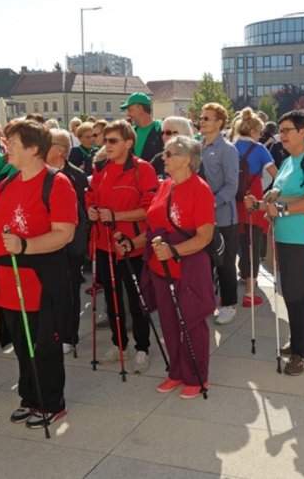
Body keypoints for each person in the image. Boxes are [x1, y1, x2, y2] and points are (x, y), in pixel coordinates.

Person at [0, 120, 76, 428]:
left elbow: (65, 233)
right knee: (21, 342)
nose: (6, 149)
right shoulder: (8, 183)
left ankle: (51, 402)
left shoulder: (57, 183)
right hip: (7, 278)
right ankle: (30, 397)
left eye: (12, 143)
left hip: (41, 278)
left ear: (32, 148)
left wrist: (25, 245)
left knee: (44, 345)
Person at [117, 135, 215, 398]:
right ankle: (176, 372)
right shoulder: (165, 186)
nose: (164, 158)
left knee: (191, 323)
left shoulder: (200, 189)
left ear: (186, 159)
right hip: (160, 267)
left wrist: (173, 250)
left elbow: (204, 237)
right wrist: (132, 243)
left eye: (169, 154)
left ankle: (197, 376)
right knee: (169, 324)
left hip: (188, 267)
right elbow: (152, 229)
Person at [245, 110, 304, 375]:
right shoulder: (288, 161)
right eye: (280, 131)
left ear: (303, 132)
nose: (281, 135)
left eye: (287, 130)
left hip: (302, 239)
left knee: (296, 295)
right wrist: (259, 204)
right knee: (295, 295)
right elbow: (278, 199)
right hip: (285, 237)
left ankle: (301, 354)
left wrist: (281, 211)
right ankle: (303, 343)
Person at [87, 119, 159, 373]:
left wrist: (115, 215)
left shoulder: (143, 169)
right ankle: (119, 344)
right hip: (104, 244)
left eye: (113, 140)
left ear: (129, 143)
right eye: (105, 140)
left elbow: (150, 209)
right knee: (112, 298)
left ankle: (142, 347)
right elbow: (91, 197)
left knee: (137, 300)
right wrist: (92, 211)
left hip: (131, 246)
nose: (107, 145)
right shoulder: (101, 168)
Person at [47, 128, 89, 354]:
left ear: (61, 151)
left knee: (70, 292)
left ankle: (68, 336)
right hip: (45, 244)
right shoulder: (38, 174)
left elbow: (82, 217)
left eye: (48, 143)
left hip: (71, 247)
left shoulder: (77, 176)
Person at [199, 103, 240, 324]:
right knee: (204, 263)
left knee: (225, 263)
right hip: (201, 218)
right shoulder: (197, 146)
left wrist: (210, 203)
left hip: (224, 217)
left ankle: (229, 304)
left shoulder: (228, 149)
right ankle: (207, 302)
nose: (202, 121)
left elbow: (231, 185)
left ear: (219, 122)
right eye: (202, 117)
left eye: (207, 118)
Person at [233, 108, 278, 306]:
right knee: (254, 243)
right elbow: (277, 174)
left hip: (234, 200)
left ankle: (242, 274)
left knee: (240, 241)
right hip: (253, 200)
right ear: (253, 132)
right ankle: (250, 292)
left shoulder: (230, 146)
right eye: (259, 133)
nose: (260, 136)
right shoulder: (260, 149)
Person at [121, 92, 163, 162]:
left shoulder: (160, 129)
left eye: (130, 110)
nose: (127, 114)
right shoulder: (131, 132)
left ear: (140, 108)